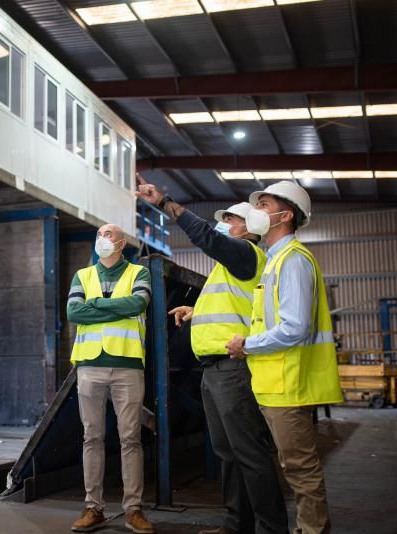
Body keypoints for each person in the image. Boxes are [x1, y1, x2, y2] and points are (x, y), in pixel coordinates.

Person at [136, 178, 288, 534]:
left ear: (249, 228)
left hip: (233, 369)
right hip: (214, 371)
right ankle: (237, 524)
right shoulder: (230, 267)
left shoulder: (246, 253)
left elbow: (206, 237)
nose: (225, 224)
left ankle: (271, 528)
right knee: (228, 454)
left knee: (248, 453)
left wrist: (164, 203)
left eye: (232, 220)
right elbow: (233, 306)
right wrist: (195, 310)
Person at [225, 181, 343, 534]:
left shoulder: (292, 261)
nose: (255, 211)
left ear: (285, 214)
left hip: (288, 382)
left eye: (263, 204)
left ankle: (312, 530)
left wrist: (247, 344)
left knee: (300, 469)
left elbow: (295, 328)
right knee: (293, 466)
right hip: (275, 382)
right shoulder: (275, 262)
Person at [67, 223, 155, 534]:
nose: (102, 239)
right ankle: (94, 508)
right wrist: (114, 309)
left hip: (128, 365)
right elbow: (74, 313)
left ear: (121, 244)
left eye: (109, 235)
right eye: (99, 235)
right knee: (92, 438)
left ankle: (133, 510)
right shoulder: (83, 275)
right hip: (90, 365)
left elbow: (138, 303)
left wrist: (96, 305)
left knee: (130, 438)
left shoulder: (138, 274)